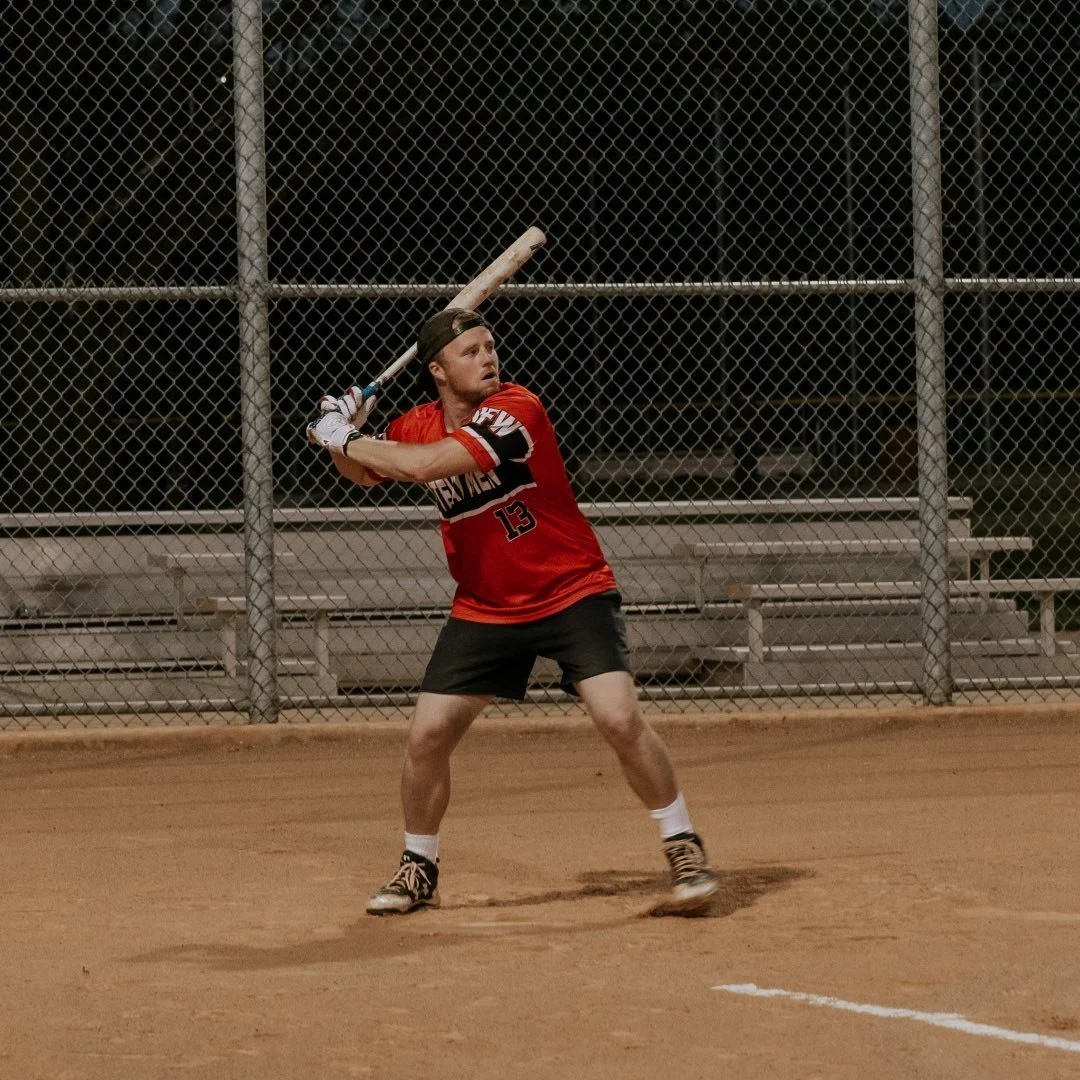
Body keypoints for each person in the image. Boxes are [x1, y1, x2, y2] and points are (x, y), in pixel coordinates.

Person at [307, 308, 718, 916]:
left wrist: (342, 435)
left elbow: (422, 466)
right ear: (439, 371)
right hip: (486, 606)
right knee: (426, 736)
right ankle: (419, 869)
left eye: (490, 347)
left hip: (571, 590)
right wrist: (340, 429)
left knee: (619, 718)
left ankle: (683, 844)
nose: (488, 358)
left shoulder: (516, 409)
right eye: (471, 352)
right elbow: (362, 471)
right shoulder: (416, 423)